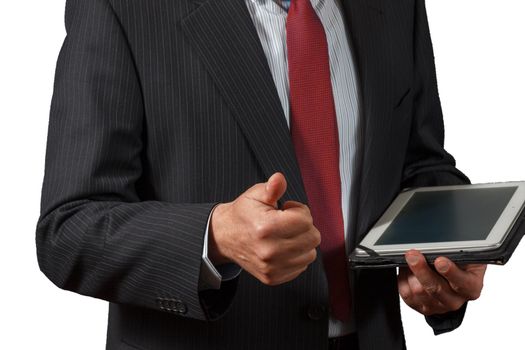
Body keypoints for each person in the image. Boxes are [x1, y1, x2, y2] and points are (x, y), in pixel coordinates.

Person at [36, 0, 486, 349]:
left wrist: (446, 259)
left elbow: (420, 163)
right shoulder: (123, 8)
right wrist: (213, 238)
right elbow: (69, 228)